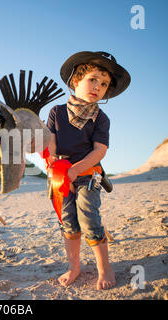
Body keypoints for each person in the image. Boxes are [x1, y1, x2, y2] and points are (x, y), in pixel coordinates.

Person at [46, 51, 130, 290]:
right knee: (68, 222)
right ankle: (74, 266)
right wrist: (54, 166)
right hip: (60, 175)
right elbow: (50, 143)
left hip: (88, 174)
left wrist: (75, 171)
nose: (98, 87)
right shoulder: (57, 112)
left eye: (103, 84)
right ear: (76, 81)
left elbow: (99, 151)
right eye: (92, 79)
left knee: (88, 218)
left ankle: (105, 268)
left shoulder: (100, 118)